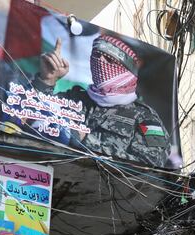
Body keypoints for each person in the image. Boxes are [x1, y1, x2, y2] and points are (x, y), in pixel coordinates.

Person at [30, 35, 170, 166]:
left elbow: (152, 163)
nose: (100, 62)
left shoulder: (144, 117)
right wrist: (47, 79)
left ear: (127, 70)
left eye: (109, 60)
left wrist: (86, 141)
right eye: (96, 56)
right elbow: (27, 116)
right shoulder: (76, 99)